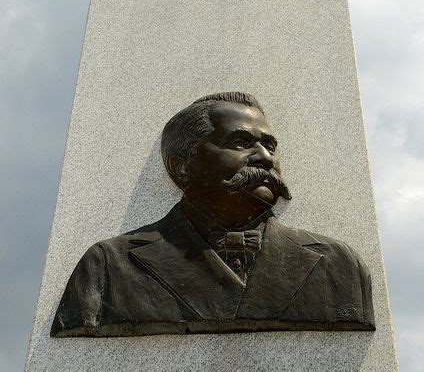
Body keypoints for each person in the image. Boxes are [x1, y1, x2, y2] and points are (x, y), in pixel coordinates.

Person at [51, 92, 375, 337]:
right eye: (240, 142)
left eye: (270, 146)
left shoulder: (338, 264)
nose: (264, 157)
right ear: (182, 166)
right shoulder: (109, 266)